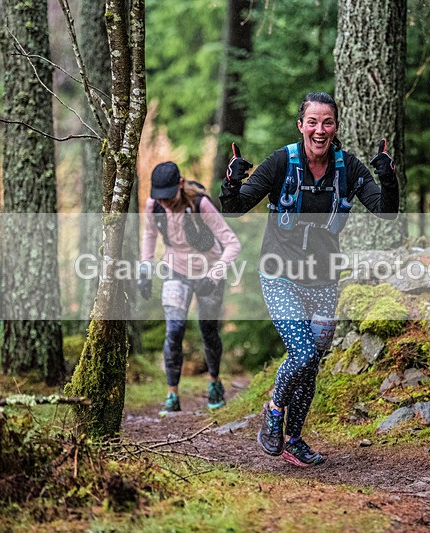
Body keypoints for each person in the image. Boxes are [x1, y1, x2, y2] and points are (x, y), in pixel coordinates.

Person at [220, 92, 400, 466]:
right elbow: (234, 211)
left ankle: (294, 440)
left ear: (335, 127)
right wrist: (232, 183)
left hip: (324, 280)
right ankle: (273, 411)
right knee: (301, 353)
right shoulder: (281, 163)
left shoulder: (348, 168)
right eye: (313, 122)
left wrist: (387, 176)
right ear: (301, 125)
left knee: (311, 365)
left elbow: (386, 213)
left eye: (328, 122)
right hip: (279, 275)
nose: (320, 130)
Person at [139, 161, 241, 416]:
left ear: (180, 184)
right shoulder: (154, 208)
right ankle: (172, 394)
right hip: (176, 270)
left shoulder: (200, 205)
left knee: (208, 330)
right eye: (159, 198)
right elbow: (150, 237)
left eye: (169, 197)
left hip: (209, 270)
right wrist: (145, 271)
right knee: (174, 329)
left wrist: (214, 275)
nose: (165, 203)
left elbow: (232, 244)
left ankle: (215, 384)